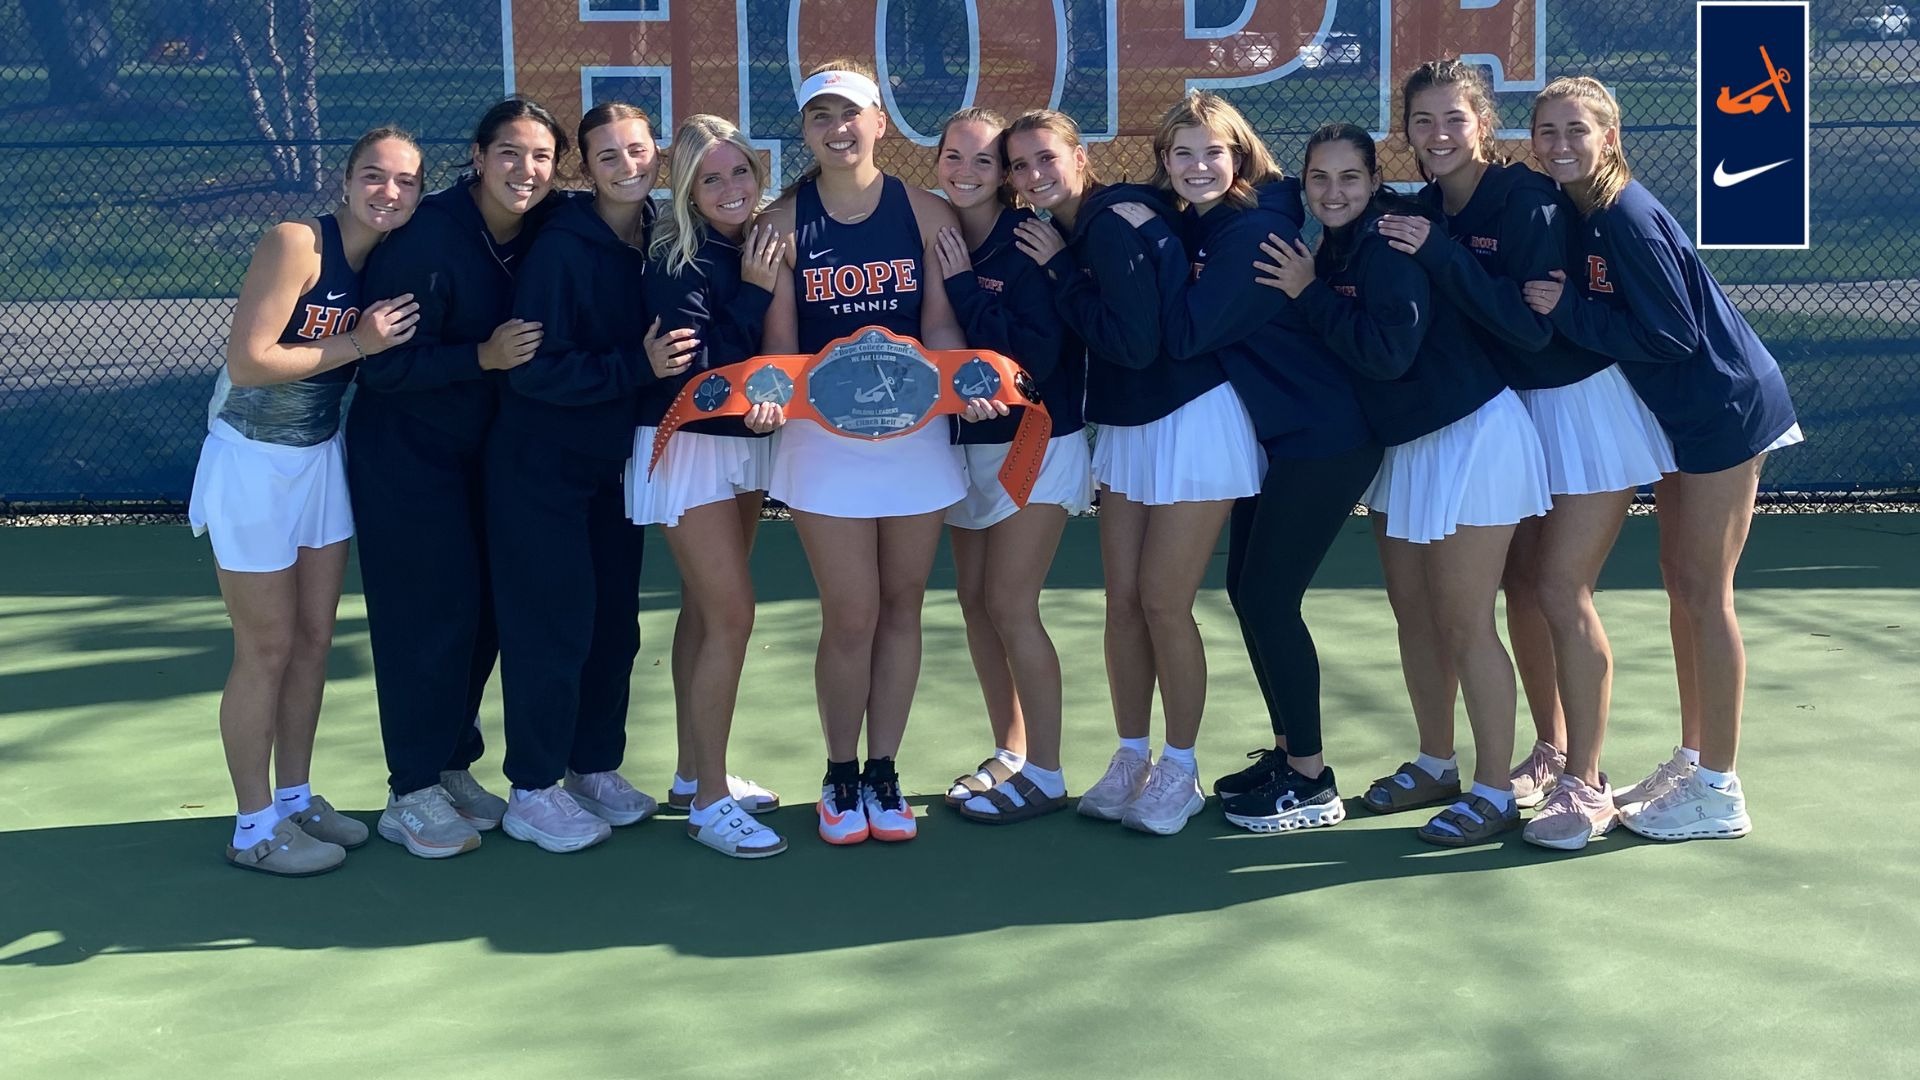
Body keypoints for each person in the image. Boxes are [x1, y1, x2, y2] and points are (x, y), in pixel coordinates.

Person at [1380, 60, 1675, 851]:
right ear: (1404, 132)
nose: (1438, 136)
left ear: (1484, 125)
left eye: (1455, 119)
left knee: (1559, 587)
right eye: (1422, 122)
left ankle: (1587, 781)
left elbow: (1531, 327)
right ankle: (1546, 752)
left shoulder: (1529, 201)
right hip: (1508, 418)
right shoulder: (1423, 206)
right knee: (1515, 588)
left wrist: (1441, 257)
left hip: (1580, 412)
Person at [1522, 76, 1802, 842]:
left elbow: (1674, 336)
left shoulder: (1626, 217)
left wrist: (1566, 310)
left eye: (1576, 130)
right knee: (1681, 582)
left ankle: (1720, 786)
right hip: (1680, 419)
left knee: (1706, 592)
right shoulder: (1581, 211)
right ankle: (1693, 757)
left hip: (1723, 411)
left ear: (1608, 136)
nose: (1560, 144)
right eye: (1546, 131)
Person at [1256, 124, 1551, 846]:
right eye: (1319, 179)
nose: (1333, 191)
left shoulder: (1387, 244)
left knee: (1464, 620)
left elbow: (1387, 354)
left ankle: (1492, 791)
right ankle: (1434, 763)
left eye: (1349, 178)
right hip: (1410, 447)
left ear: (1373, 179)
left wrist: (1306, 296)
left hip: (1472, 434)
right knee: (1414, 614)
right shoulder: (1334, 247)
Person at [1112, 91, 1382, 834]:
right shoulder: (1209, 219)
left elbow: (1189, 333)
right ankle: (1290, 752)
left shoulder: (1252, 233)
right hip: (1278, 437)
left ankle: (1312, 778)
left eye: (1213, 152)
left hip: (1325, 435)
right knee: (1247, 590)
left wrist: (1155, 257)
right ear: (1165, 162)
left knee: (1267, 597)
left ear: (1239, 157)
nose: (1198, 167)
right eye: (1183, 153)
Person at [1005, 108, 1263, 836]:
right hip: (1127, 427)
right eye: (1020, 166)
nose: (1032, 178)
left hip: (1189, 424)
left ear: (1078, 157)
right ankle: (1130, 756)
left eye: (1045, 159)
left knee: (1161, 602)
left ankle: (1179, 770)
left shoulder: (1110, 225)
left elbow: (1138, 341)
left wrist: (1058, 272)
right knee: (1122, 600)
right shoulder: (1097, 220)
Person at [191, 126, 423, 875]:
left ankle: (294, 799)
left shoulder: (386, 261)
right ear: (345, 180)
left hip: (321, 458)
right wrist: (361, 343)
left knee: (315, 642)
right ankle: (252, 827)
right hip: (251, 462)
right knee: (266, 647)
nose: (389, 192)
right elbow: (250, 363)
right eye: (375, 176)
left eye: (407, 182)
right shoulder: (297, 243)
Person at [755, 60, 972, 846]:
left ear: (881, 122)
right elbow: (779, 346)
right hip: (825, 444)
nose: (838, 129)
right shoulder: (783, 222)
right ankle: (840, 772)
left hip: (915, 438)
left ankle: (886, 770)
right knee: (851, 615)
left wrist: (958, 380)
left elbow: (941, 325)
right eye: (821, 118)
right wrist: (778, 394)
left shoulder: (926, 211)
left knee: (904, 606)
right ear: (806, 131)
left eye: (852, 114)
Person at [351, 98, 565, 859]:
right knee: (425, 620)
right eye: (510, 153)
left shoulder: (543, 225)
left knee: (482, 620)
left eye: (541, 157)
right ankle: (409, 790)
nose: (526, 170)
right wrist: (481, 357)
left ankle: (449, 766)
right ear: (477, 157)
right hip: (406, 458)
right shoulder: (428, 238)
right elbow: (384, 368)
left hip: (488, 458)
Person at [488, 101, 662, 854]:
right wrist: (635, 368)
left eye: (638, 150)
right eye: (609, 157)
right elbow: (535, 373)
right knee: (551, 630)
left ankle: (593, 767)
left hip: (612, 471)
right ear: (583, 171)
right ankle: (532, 788)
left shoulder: (661, 233)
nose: (628, 166)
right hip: (540, 468)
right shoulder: (561, 249)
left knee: (613, 627)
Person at [631, 113, 789, 858]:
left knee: (704, 609)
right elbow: (698, 378)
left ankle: (696, 775)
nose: (729, 188)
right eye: (711, 177)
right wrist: (755, 295)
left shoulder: (751, 241)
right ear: (687, 189)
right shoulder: (677, 256)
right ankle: (713, 804)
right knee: (731, 615)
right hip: (688, 443)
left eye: (740, 173)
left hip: (741, 449)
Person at [929, 107, 1090, 825]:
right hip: (959, 447)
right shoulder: (929, 235)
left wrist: (964, 289)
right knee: (973, 603)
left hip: (1038, 441)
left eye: (984, 161)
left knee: (1010, 604)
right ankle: (1011, 751)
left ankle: (1049, 774)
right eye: (953, 158)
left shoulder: (1031, 240)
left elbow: (1038, 358)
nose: (966, 173)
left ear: (1005, 176)